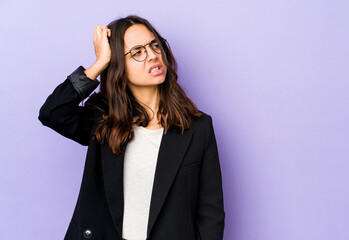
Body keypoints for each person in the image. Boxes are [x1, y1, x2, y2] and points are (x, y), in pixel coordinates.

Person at [38, 15, 225, 240]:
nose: (153, 56)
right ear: (118, 65)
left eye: (155, 45)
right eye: (137, 52)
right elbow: (52, 112)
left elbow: (210, 213)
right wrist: (99, 63)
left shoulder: (198, 127)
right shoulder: (104, 121)